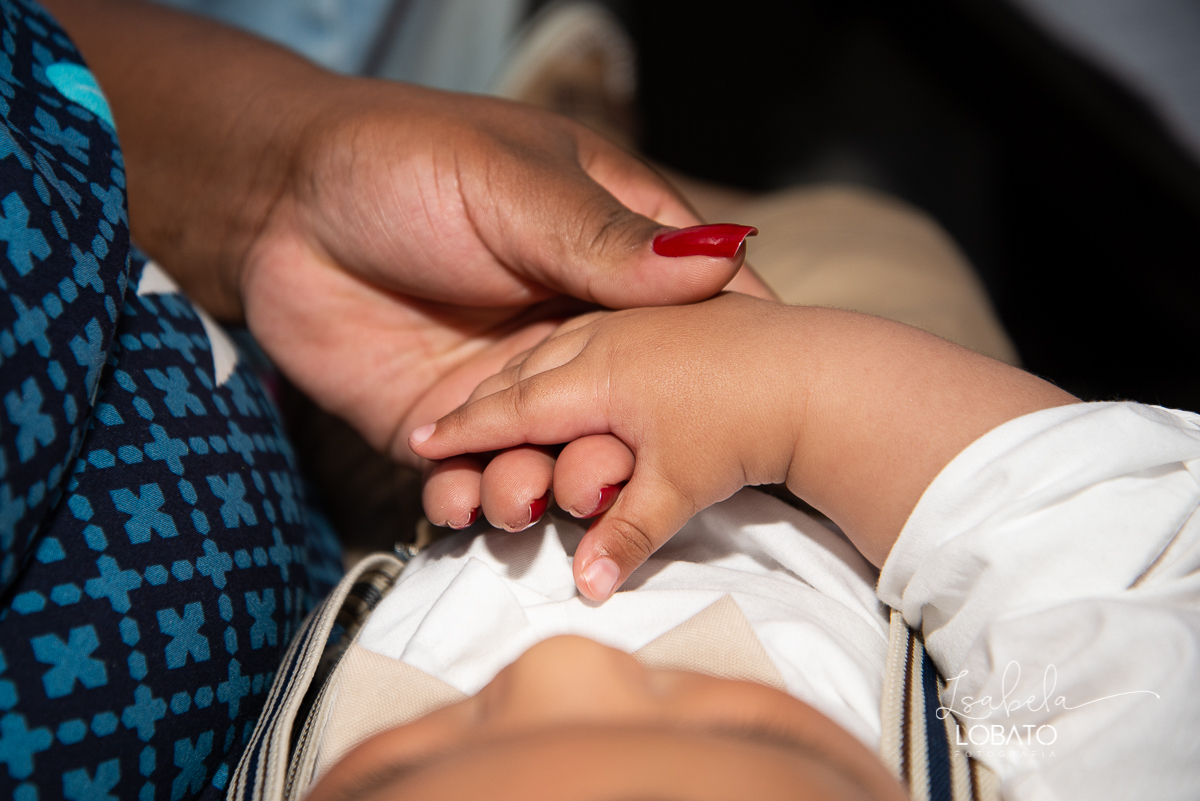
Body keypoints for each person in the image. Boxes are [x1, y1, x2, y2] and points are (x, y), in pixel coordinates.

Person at [0, 0, 773, 798]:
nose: (562, 670)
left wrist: (281, 180)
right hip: (382, 478)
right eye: (762, 735)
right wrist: (788, 391)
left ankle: (512, 101)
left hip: (303, 374)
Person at [252, 292, 1198, 800]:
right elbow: (1120, 536)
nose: (564, 665)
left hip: (431, 496)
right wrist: (795, 394)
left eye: (396, 769)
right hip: (886, 464)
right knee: (867, 228)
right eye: (736, 729)